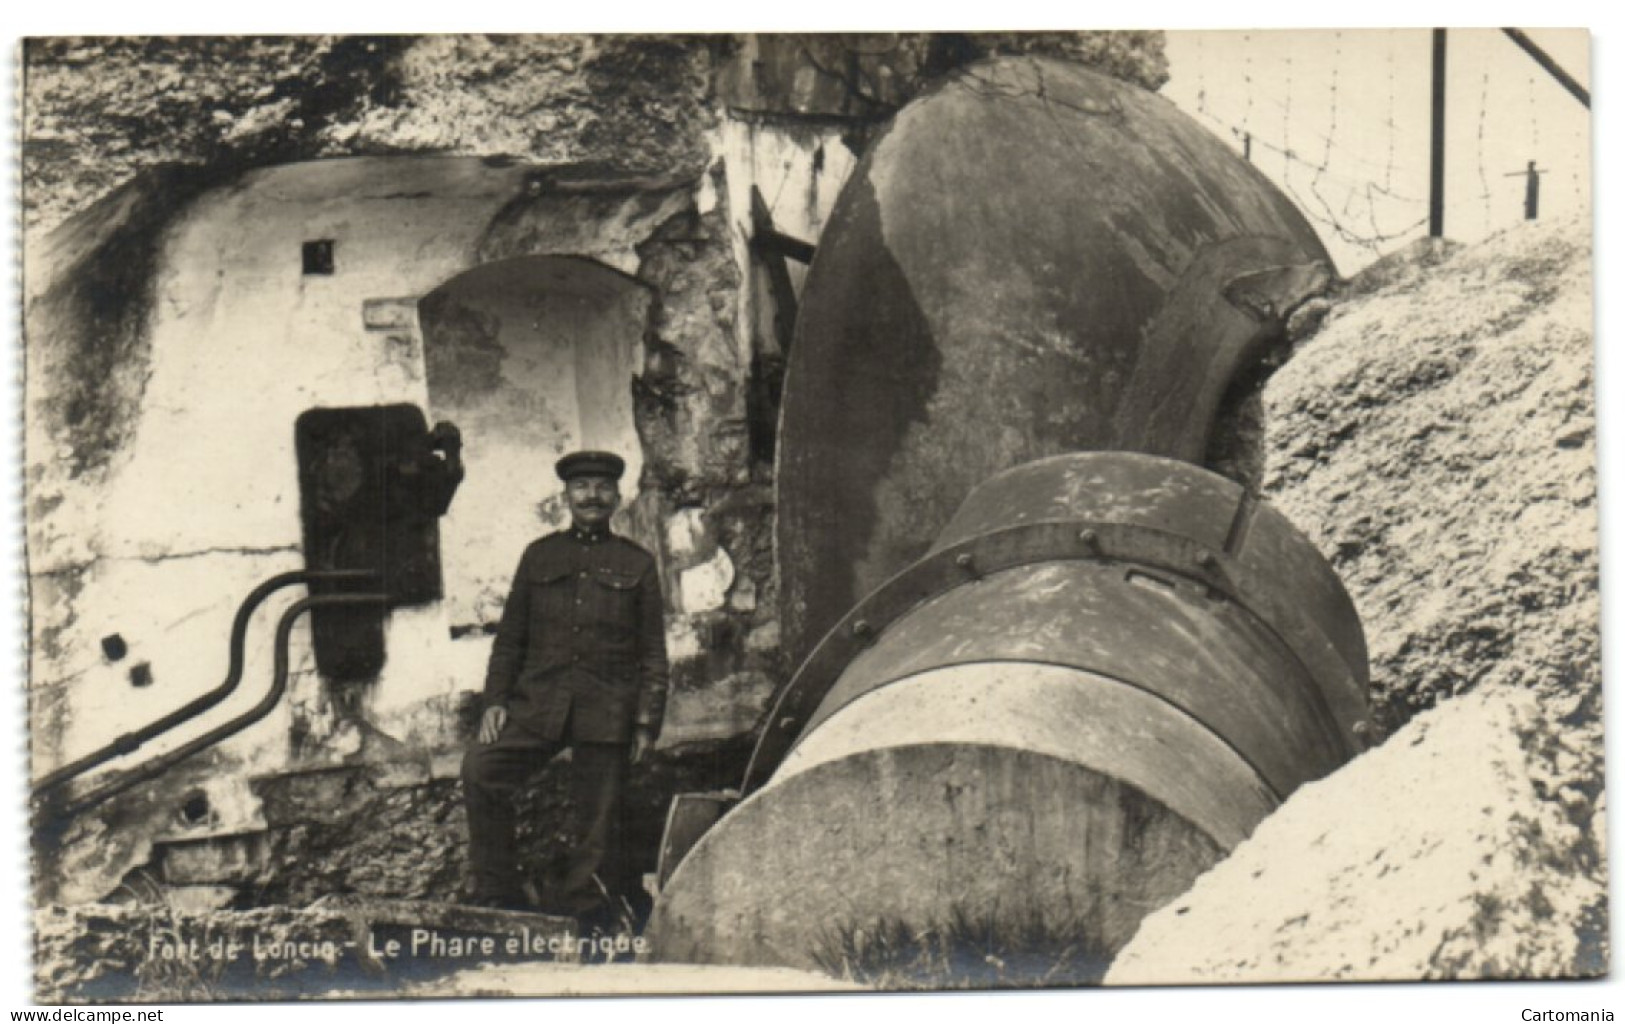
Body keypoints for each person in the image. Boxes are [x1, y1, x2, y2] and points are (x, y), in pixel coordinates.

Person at [460, 450, 668, 917]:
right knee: (481, 770)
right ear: (566, 497)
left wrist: (645, 724)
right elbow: (511, 638)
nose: (591, 496)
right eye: (581, 487)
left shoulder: (637, 563)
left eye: (601, 487)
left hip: (607, 708)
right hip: (540, 704)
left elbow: (653, 652)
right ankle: (498, 895)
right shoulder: (539, 556)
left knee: (599, 818)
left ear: (616, 497)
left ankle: (585, 913)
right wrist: (495, 702)